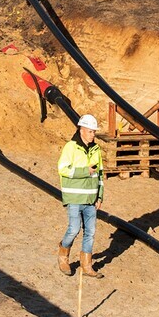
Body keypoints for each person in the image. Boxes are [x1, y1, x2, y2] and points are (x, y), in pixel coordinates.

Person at [57, 113, 104, 279]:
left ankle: (87, 265)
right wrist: (84, 171)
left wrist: (100, 197)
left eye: (94, 132)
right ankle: (63, 255)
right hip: (75, 198)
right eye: (90, 131)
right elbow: (63, 169)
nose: (93, 134)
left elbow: (100, 175)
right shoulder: (71, 147)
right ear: (82, 130)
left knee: (90, 232)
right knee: (74, 229)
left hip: (91, 199)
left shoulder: (96, 149)